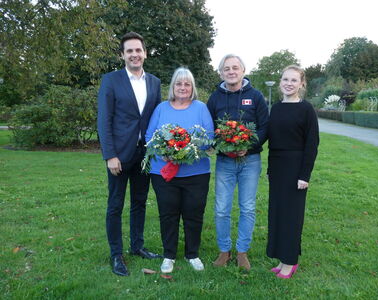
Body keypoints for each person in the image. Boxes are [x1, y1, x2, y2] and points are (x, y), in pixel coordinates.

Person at [97, 32, 162, 277]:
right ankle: (116, 254)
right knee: (115, 205)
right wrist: (110, 154)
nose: (135, 54)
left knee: (139, 202)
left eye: (138, 50)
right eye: (129, 51)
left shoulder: (154, 82)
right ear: (122, 55)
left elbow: (156, 118)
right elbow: (104, 120)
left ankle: (137, 246)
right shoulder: (111, 80)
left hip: (144, 155)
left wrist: (157, 148)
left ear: (145, 53)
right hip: (119, 155)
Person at [145, 67, 214, 273]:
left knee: (194, 213)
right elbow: (149, 136)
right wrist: (163, 152)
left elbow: (209, 138)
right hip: (163, 172)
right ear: (172, 87)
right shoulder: (161, 109)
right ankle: (169, 255)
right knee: (168, 214)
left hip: (196, 173)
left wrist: (188, 150)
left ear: (192, 87)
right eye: (178, 83)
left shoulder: (201, 108)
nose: (182, 87)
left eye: (187, 84)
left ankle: (192, 254)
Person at [207, 54, 269, 271]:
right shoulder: (215, 98)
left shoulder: (256, 96)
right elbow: (209, 128)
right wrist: (219, 145)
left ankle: (242, 251)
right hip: (225, 162)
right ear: (221, 73)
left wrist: (249, 146)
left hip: (250, 161)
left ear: (243, 70)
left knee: (248, 207)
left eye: (235, 67)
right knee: (222, 209)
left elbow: (264, 127)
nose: (231, 71)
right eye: (226, 68)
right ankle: (224, 251)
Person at [266, 65, 319, 279]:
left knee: (292, 216)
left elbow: (312, 145)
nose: (288, 83)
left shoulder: (306, 110)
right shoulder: (276, 108)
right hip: (277, 168)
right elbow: (272, 140)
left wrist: (304, 176)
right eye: (285, 79)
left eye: (294, 80)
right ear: (280, 82)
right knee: (278, 214)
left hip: (296, 168)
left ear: (301, 84)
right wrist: (270, 168)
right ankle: (282, 258)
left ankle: (290, 262)